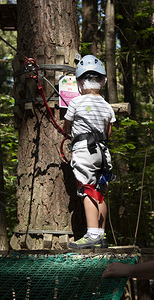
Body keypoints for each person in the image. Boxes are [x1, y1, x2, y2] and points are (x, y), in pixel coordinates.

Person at [63, 55, 116, 249]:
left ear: (79, 82)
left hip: (85, 150)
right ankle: (100, 235)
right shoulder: (106, 106)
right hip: (102, 152)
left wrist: (70, 131)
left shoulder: (75, 103)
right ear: (103, 81)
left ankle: (92, 234)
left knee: (88, 189)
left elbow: (67, 127)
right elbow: (108, 132)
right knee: (100, 191)